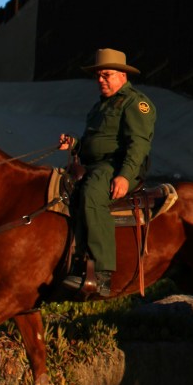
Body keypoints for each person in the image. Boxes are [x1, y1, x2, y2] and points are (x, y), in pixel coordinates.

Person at [59, 48, 157, 297]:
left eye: (107, 75)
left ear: (123, 75)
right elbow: (93, 142)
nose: (101, 80)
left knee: (92, 192)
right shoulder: (100, 106)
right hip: (94, 164)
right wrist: (74, 144)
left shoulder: (136, 103)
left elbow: (138, 143)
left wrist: (125, 175)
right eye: (98, 76)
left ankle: (101, 273)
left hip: (117, 165)